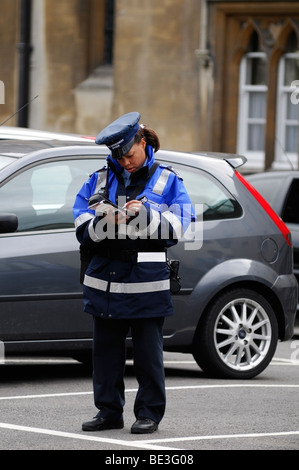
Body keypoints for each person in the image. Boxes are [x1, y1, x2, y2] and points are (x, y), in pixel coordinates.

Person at [73, 112, 195, 434]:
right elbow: (79, 221)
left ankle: (149, 414)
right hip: (105, 281)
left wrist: (148, 214)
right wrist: (103, 223)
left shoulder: (167, 180)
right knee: (106, 356)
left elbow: (180, 227)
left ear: (143, 143)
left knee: (147, 356)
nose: (126, 162)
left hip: (146, 282)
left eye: (130, 154)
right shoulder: (99, 179)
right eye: (120, 157)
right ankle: (108, 412)